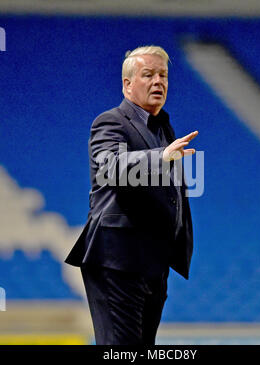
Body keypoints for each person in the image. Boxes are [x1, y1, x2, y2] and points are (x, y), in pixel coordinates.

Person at [65, 45, 198, 345]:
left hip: (152, 265)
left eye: (163, 75)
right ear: (127, 84)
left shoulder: (163, 128)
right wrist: (161, 155)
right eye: (148, 74)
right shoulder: (110, 122)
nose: (158, 82)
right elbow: (110, 167)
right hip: (117, 259)